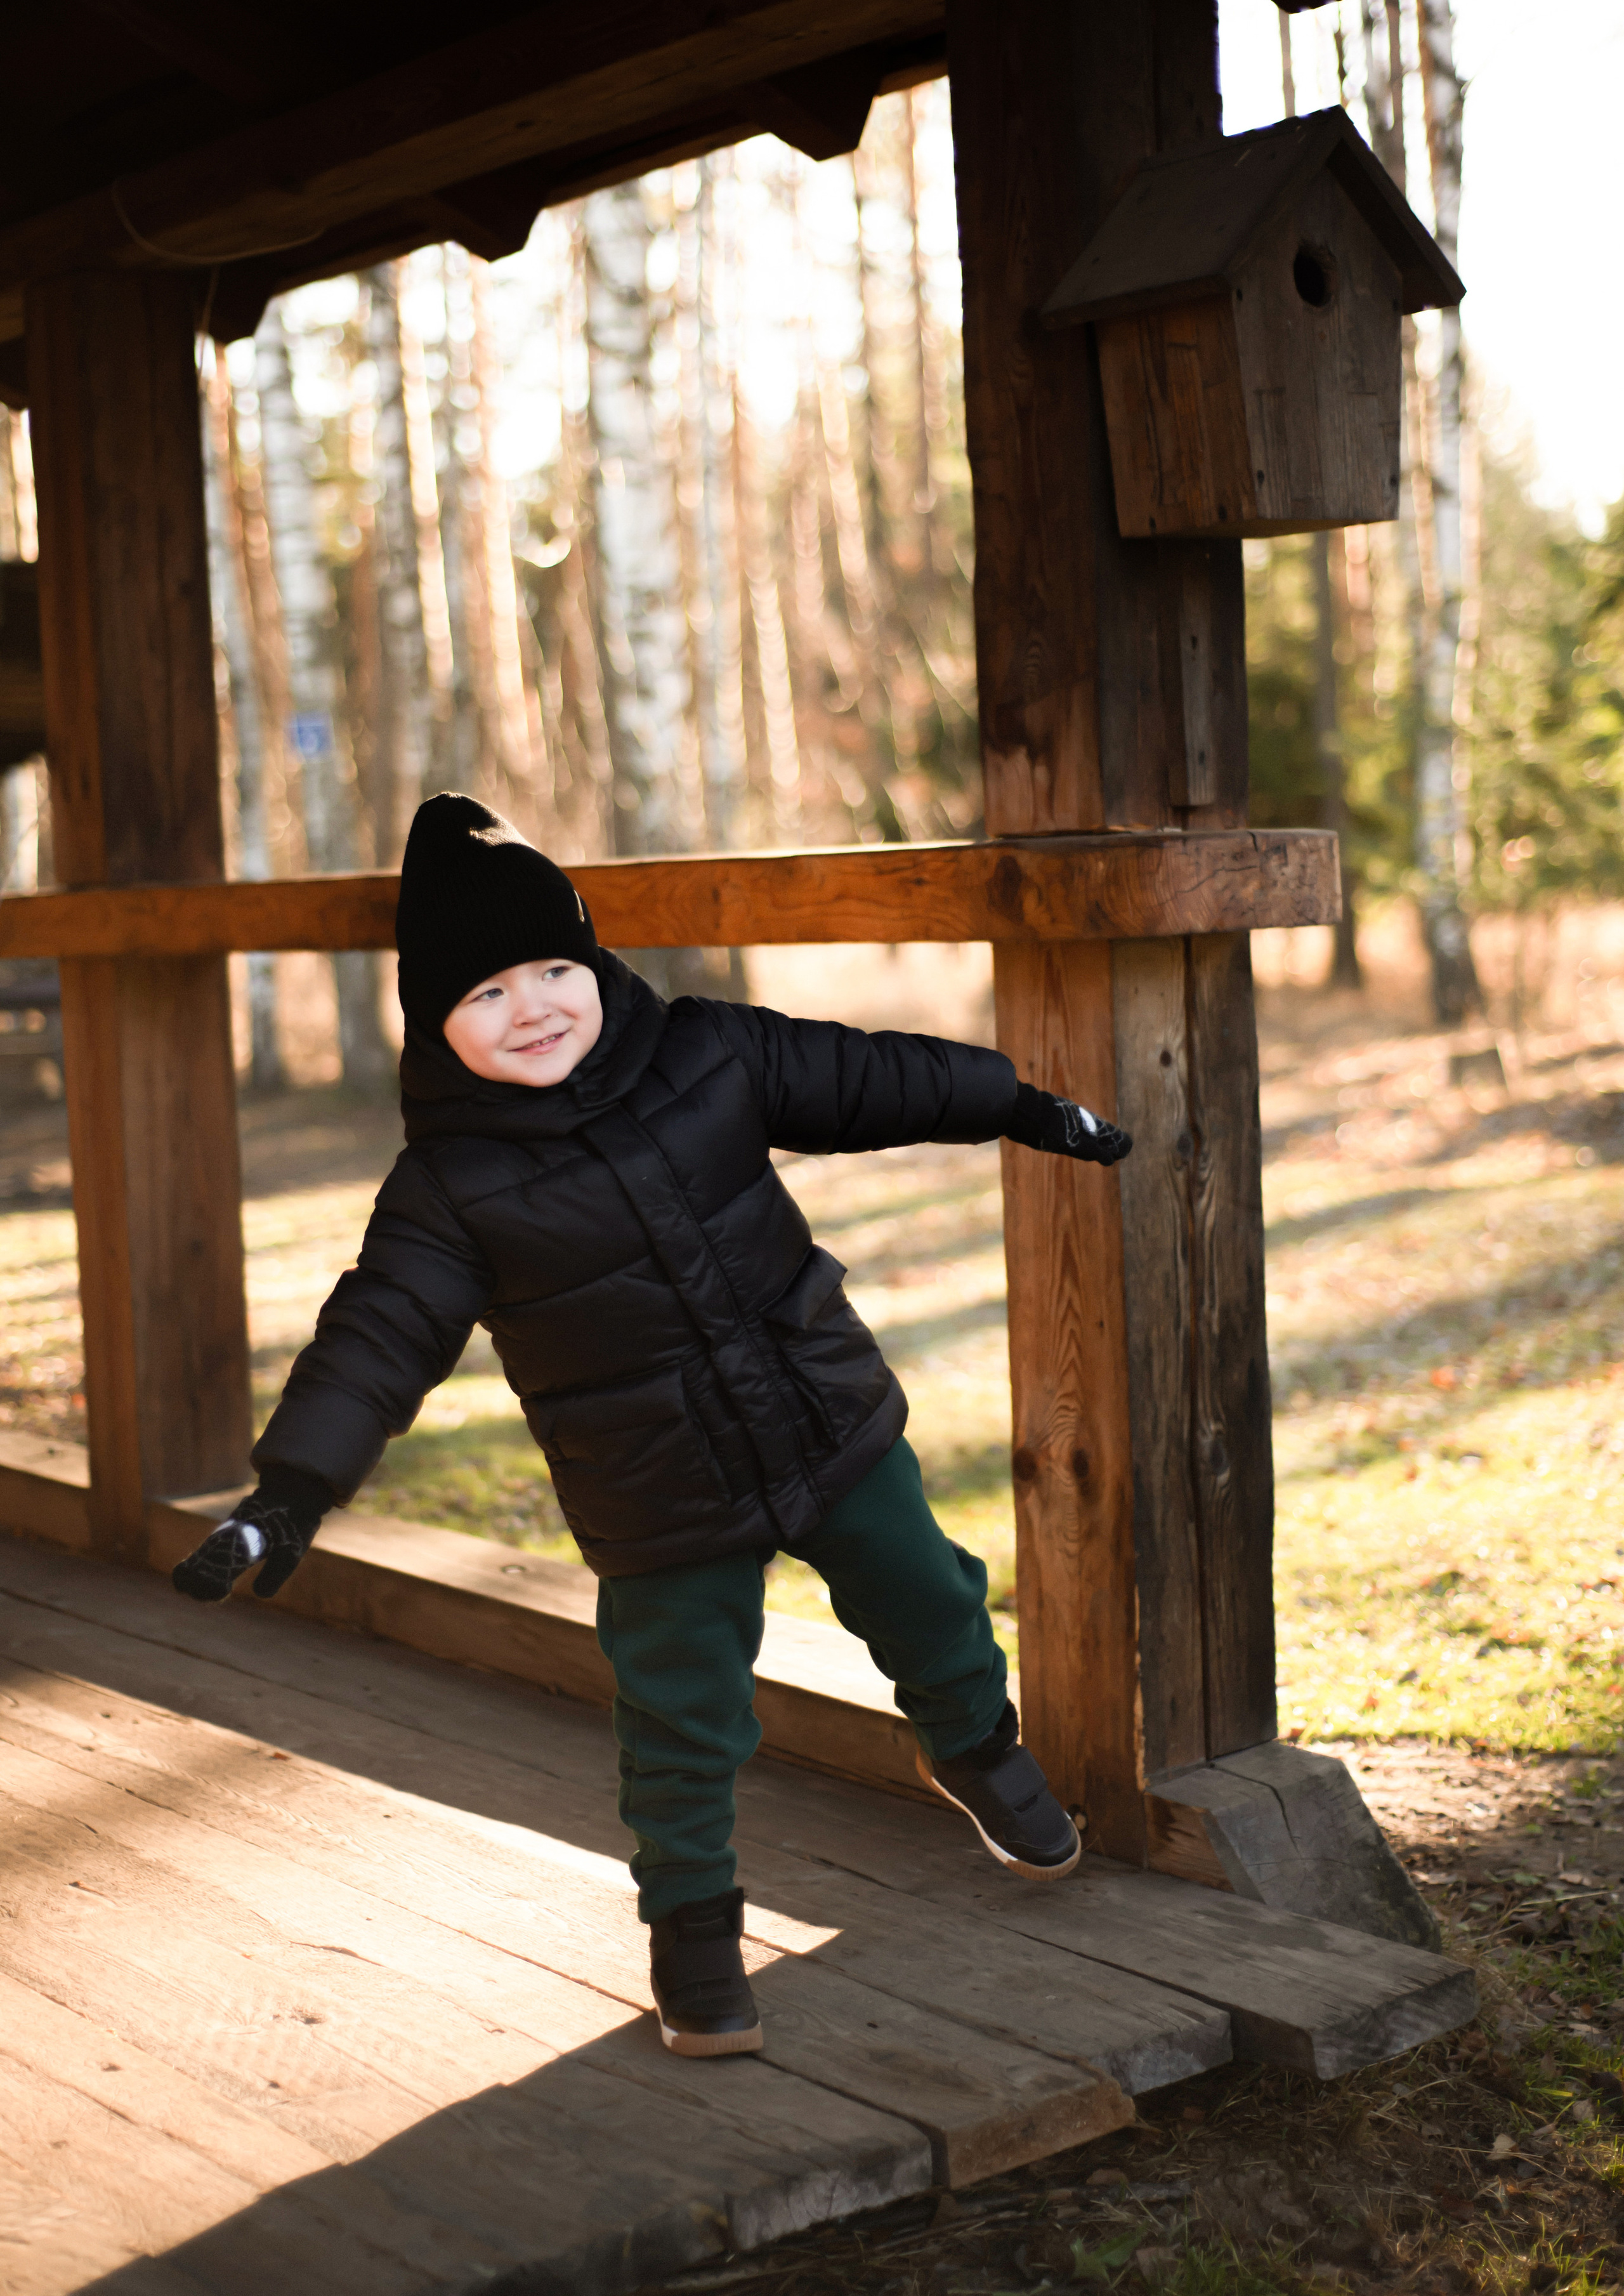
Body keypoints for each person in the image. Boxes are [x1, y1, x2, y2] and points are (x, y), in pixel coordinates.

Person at [173, 795, 1132, 2058]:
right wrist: (288, 1495)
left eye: (554, 969)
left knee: (931, 1595)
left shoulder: (704, 1053)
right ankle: (692, 1925)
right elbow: (379, 1336)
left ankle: (974, 1746)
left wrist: (1014, 1104)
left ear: (595, 964)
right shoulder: (448, 1187)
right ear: (433, 1019)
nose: (533, 1008)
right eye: (487, 994)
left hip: (822, 1416)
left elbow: (862, 1073)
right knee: (679, 1713)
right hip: (654, 1493)